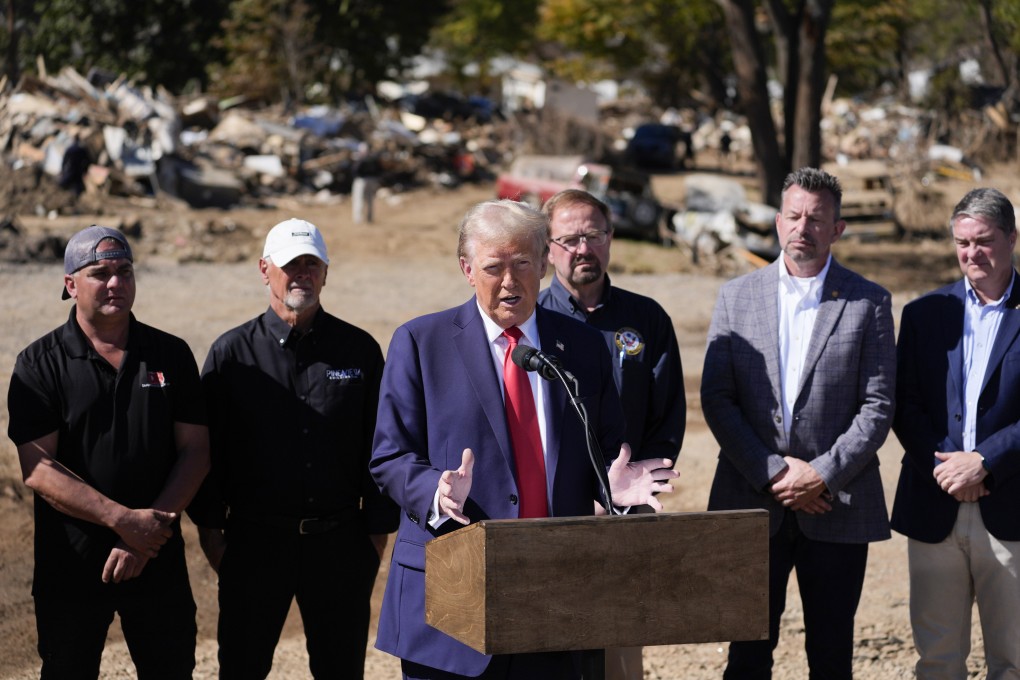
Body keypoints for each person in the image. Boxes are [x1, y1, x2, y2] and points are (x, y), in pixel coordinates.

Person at [370, 199, 679, 680]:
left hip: (554, 593)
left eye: (521, 264)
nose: (510, 281)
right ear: (467, 269)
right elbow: (390, 456)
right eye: (494, 267)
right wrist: (433, 490)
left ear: (542, 262)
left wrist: (610, 490)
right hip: (455, 593)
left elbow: (604, 449)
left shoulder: (582, 346)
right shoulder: (420, 342)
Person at [701, 167, 896, 679]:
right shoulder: (736, 297)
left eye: (816, 218)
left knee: (831, 656)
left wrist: (821, 474)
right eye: (793, 215)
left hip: (837, 503)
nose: (802, 228)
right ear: (776, 221)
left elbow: (877, 406)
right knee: (746, 656)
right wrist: (774, 472)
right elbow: (717, 398)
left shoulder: (869, 301)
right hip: (750, 499)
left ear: (838, 229)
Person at [190, 218, 399, 679]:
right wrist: (212, 536)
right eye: (290, 265)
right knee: (242, 667)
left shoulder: (359, 350)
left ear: (326, 273)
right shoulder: (231, 355)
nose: (301, 274)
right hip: (253, 544)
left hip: (341, 545)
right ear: (265, 270)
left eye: (312, 264)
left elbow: (381, 445)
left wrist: (373, 539)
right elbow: (206, 453)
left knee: (341, 669)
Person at [6, 225, 210, 679]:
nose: (116, 283)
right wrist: (124, 523)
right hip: (72, 567)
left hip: (156, 560)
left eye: (125, 271)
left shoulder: (170, 354)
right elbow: (39, 471)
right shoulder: (38, 364)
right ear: (70, 285)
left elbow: (196, 452)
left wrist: (145, 534)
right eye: (100, 273)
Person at [538, 188, 685, 680]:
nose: (584, 248)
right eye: (570, 238)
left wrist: (625, 492)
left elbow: (667, 420)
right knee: (551, 643)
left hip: (627, 514)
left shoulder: (646, 320)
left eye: (594, 235)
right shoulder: (531, 323)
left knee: (620, 654)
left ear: (611, 238)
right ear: (547, 248)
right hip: (549, 515)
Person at [890, 187, 1020, 679]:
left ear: (1012, 238)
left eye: (984, 240)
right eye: (963, 242)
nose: (972, 253)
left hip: (1010, 505)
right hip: (934, 503)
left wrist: (985, 461)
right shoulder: (924, 313)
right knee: (938, 659)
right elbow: (904, 403)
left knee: (1012, 660)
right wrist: (947, 469)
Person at [351, 143, 382, 224]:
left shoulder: (361, 159)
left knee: (359, 199)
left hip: (362, 181)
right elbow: (379, 170)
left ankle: (358, 219)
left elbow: (355, 170)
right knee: (370, 200)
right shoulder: (374, 159)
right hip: (372, 180)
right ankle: (369, 218)